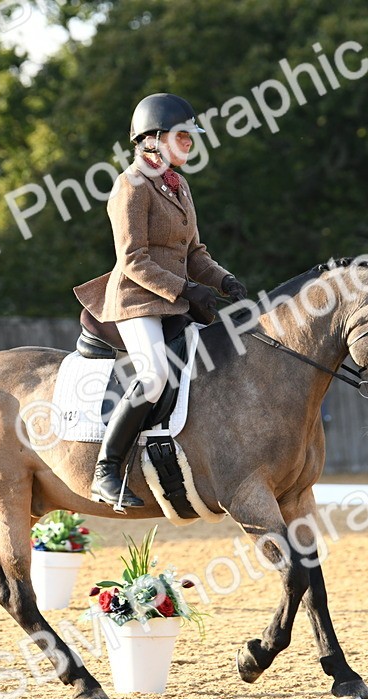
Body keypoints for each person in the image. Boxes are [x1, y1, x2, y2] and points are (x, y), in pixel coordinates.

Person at [73, 93, 248, 510]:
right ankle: (107, 470)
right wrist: (188, 290)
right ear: (152, 138)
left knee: (219, 360)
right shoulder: (130, 185)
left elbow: (194, 254)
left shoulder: (178, 185)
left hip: (174, 303)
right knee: (153, 376)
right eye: (183, 135)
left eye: (190, 136)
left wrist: (225, 281)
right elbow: (132, 260)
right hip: (137, 301)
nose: (190, 143)